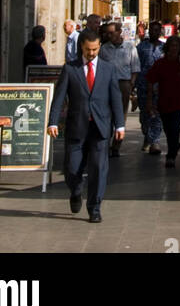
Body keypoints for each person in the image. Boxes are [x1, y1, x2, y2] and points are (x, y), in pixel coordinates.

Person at [48, 29, 124, 223]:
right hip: (77, 126)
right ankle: (75, 190)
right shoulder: (70, 69)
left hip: (100, 127)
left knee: (99, 168)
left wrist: (120, 125)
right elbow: (59, 98)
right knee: (72, 168)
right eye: (88, 49)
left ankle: (94, 208)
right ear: (81, 46)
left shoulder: (108, 69)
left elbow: (115, 98)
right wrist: (53, 122)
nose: (91, 53)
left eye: (95, 49)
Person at [146, 35, 180, 166]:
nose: (174, 48)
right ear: (167, 48)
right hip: (164, 101)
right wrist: (149, 100)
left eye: (176, 46)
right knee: (167, 129)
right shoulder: (160, 63)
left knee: (175, 127)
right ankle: (175, 144)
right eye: (172, 46)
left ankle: (171, 156)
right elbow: (150, 80)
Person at [99, 23, 140, 156]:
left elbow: (135, 68)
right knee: (106, 114)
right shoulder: (104, 49)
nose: (110, 35)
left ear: (119, 32)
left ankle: (116, 146)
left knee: (121, 115)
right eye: (108, 33)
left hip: (123, 83)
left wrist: (131, 85)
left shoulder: (129, 47)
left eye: (112, 32)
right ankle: (105, 142)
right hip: (107, 84)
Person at [136, 19, 164, 154]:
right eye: (152, 30)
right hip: (143, 85)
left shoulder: (164, 47)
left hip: (159, 86)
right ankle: (147, 136)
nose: (155, 32)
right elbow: (136, 66)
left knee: (157, 114)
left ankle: (155, 141)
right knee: (145, 115)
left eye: (157, 30)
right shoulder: (141, 47)